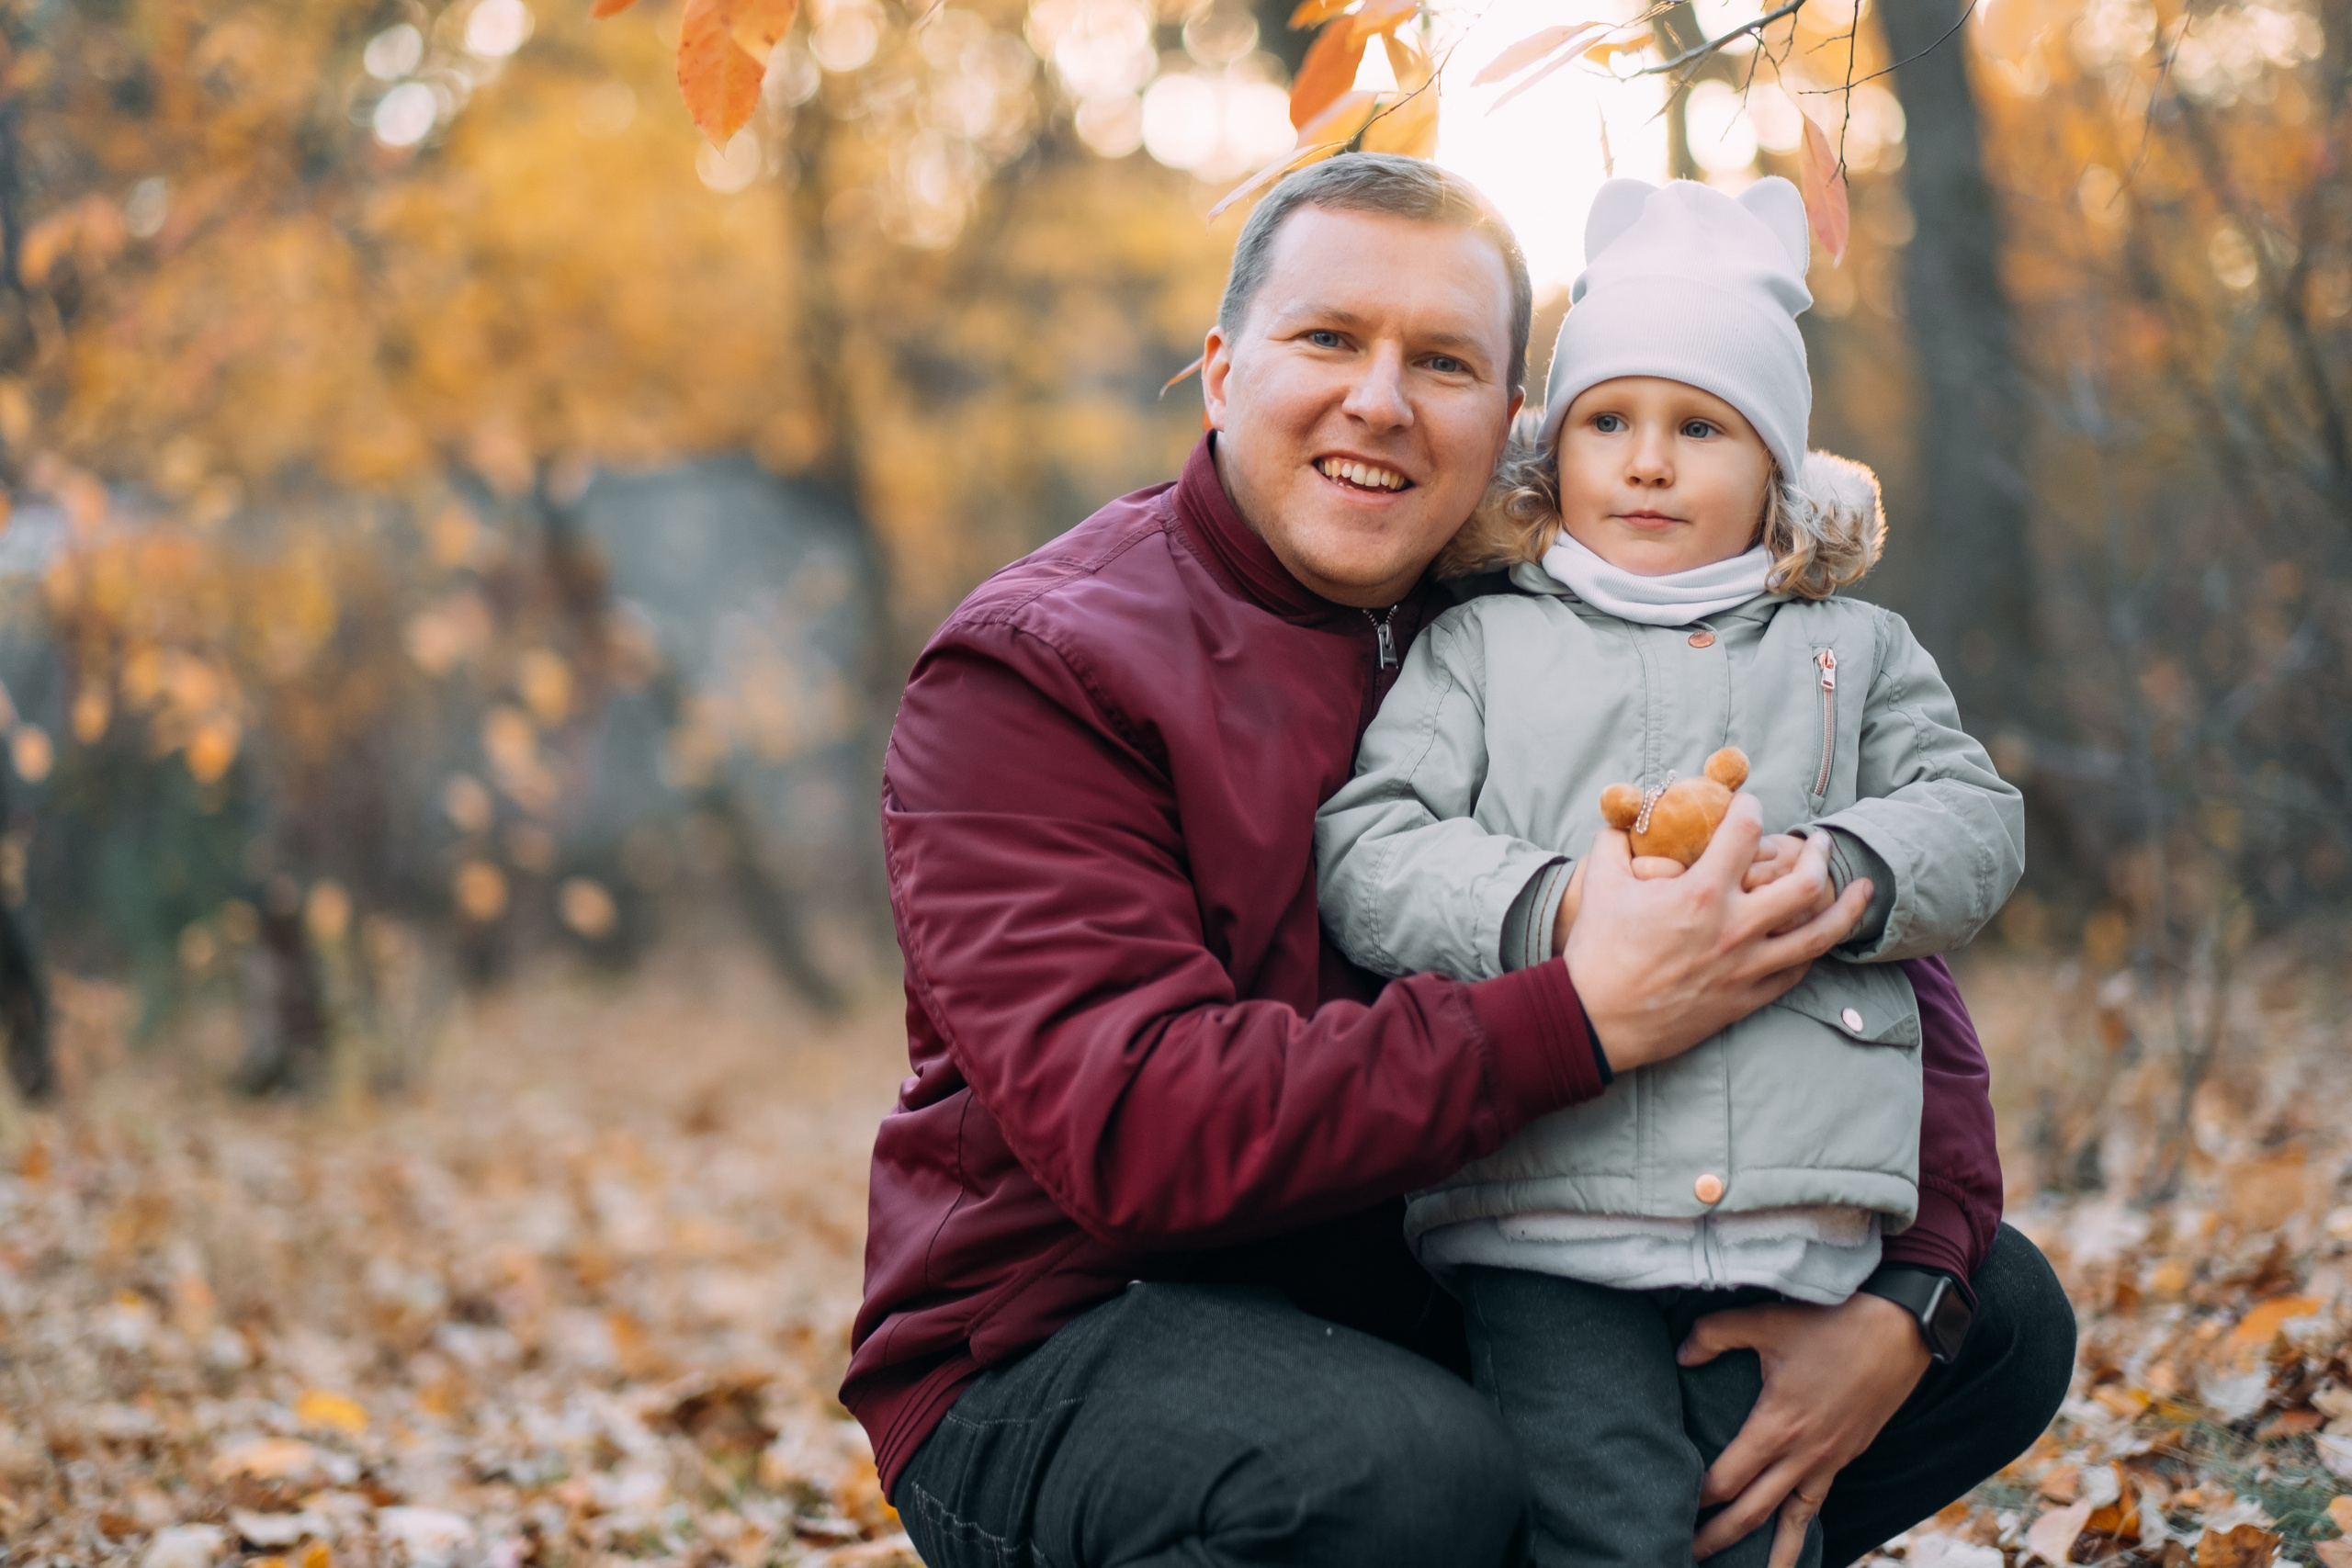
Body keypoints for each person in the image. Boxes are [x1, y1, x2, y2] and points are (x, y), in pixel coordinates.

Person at [851, 152, 2073, 1568]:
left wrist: (1909, 1295)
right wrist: (1584, 1014)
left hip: (1441, 1274)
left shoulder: (1556, 618)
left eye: (1440, 361)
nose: (1378, 399)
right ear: (1223, 369)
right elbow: (1137, 1135)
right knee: (1402, 1478)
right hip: (1069, 1333)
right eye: (1327, 339)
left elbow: (1862, 951)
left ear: (1507, 424)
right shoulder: (1043, 672)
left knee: (1993, 1317)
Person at [1312, 175, 2027, 1568]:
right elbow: (1372, 849)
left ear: (1777, 469)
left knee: (1766, 1521)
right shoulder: (1482, 647)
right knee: (1613, 1524)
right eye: (1609, 423)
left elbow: (1976, 818)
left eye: (1700, 428)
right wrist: (1554, 902)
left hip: (1791, 1221)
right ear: (1553, 452)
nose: (1647, 464)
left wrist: (1841, 870)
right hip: (1543, 1219)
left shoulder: (1849, 651)